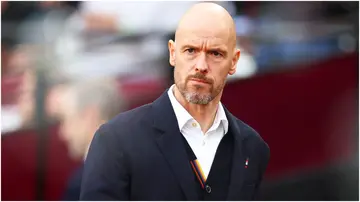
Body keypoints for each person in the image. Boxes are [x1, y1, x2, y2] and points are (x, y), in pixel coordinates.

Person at [80, 3, 270, 201]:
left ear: (234, 62)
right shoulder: (115, 141)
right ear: (172, 53)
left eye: (215, 54)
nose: (201, 66)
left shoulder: (252, 147)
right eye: (190, 51)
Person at [57, 78, 124, 200]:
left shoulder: (82, 185)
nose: (63, 133)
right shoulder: (146, 166)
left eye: (66, 120)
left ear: (90, 117)